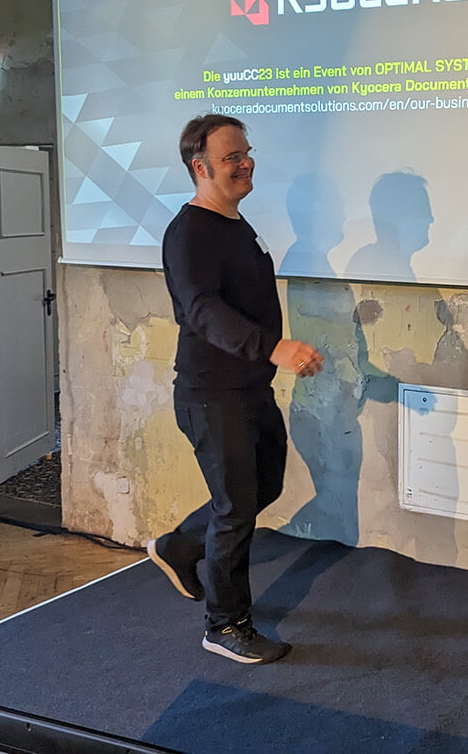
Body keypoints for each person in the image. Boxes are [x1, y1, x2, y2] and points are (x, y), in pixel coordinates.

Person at [148, 114, 324, 664]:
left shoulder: (237, 224)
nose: (245, 163)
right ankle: (225, 625)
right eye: (231, 157)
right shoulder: (190, 231)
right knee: (235, 509)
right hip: (210, 393)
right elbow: (200, 310)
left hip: (250, 387)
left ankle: (178, 546)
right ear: (199, 168)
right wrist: (274, 348)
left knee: (262, 488)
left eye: (247, 153)